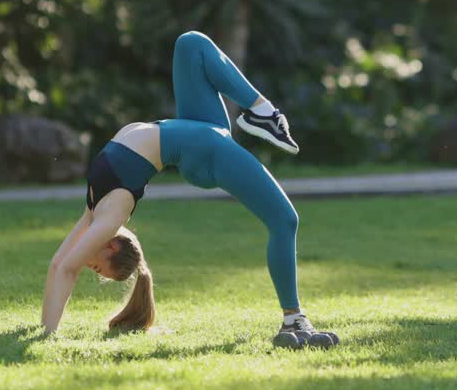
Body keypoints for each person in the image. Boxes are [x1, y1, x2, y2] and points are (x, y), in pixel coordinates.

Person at [41, 31, 338, 349]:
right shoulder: (112, 214)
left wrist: (44, 332)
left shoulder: (95, 211)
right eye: (96, 267)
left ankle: (261, 111)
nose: (88, 262)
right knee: (284, 220)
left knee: (190, 44)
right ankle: (294, 317)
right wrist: (50, 337)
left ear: (111, 247)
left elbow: (61, 265)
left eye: (97, 267)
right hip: (205, 152)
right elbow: (69, 268)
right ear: (112, 245)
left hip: (201, 132)